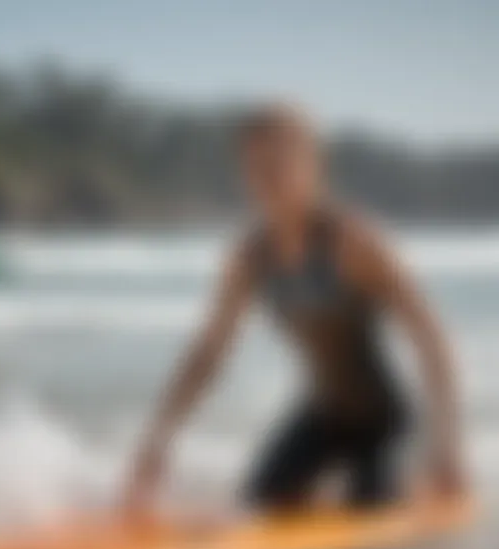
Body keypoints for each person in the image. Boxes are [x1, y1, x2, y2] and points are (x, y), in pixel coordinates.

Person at [125, 102, 464, 518]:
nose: (268, 178)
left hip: (383, 425)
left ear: (312, 163)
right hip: (321, 416)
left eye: (280, 163)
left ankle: (403, 492)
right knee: (260, 507)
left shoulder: (354, 242)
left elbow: (431, 340)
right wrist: (158, 439)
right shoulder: (251, 257)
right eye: (256, 166)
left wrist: (447, 446)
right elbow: (207, 354)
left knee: (368, 517)